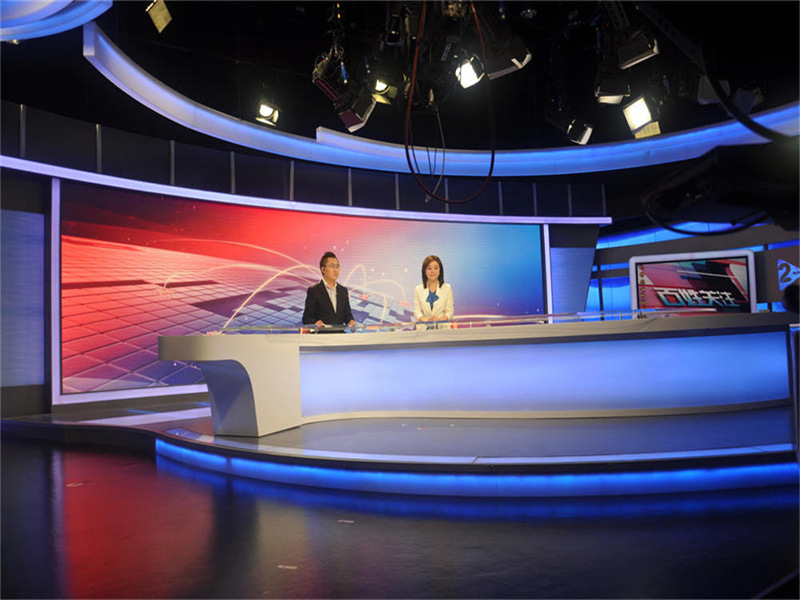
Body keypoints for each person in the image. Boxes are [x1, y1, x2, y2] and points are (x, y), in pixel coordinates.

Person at [302, 251, 357, 331]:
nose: (336, 270)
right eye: (332, 266)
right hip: (322, 336)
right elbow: (306, 318)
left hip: (340, 336)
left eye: (337, 266)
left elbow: (347, 315)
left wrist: (351, 321)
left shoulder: (343, 291)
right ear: (323, 269)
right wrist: (315, 324)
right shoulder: (314, 291)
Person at [414, 255, 454, 323]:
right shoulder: (418, 289)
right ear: (425, 271)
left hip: (442, 327)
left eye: (435, 268)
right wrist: (427, 321)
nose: (432, 271)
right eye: (429, 268)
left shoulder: (447, 288)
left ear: (440, 270)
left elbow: (449, 312)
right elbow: (417, 312)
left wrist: (439, 320)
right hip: (424, 327)